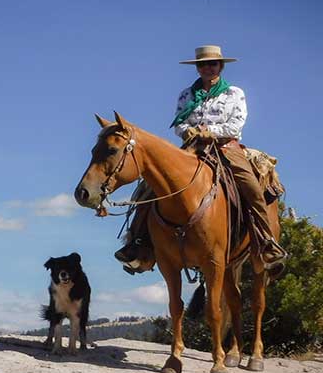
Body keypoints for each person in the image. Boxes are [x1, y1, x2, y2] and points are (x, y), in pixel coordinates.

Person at [115, 44, 287, 275]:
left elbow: (236, 124)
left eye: (212, 64)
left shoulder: (234, 93)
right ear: (197, 68)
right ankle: (138, 246)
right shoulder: (186, 94)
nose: (207, 68)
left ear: (221, 66)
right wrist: (188, 132)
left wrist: (212, 132)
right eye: (202, 64)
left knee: (251, 187)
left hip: (226, 149)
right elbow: (179, 123)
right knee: (149, 187)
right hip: (191, 149)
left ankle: (266, 243)